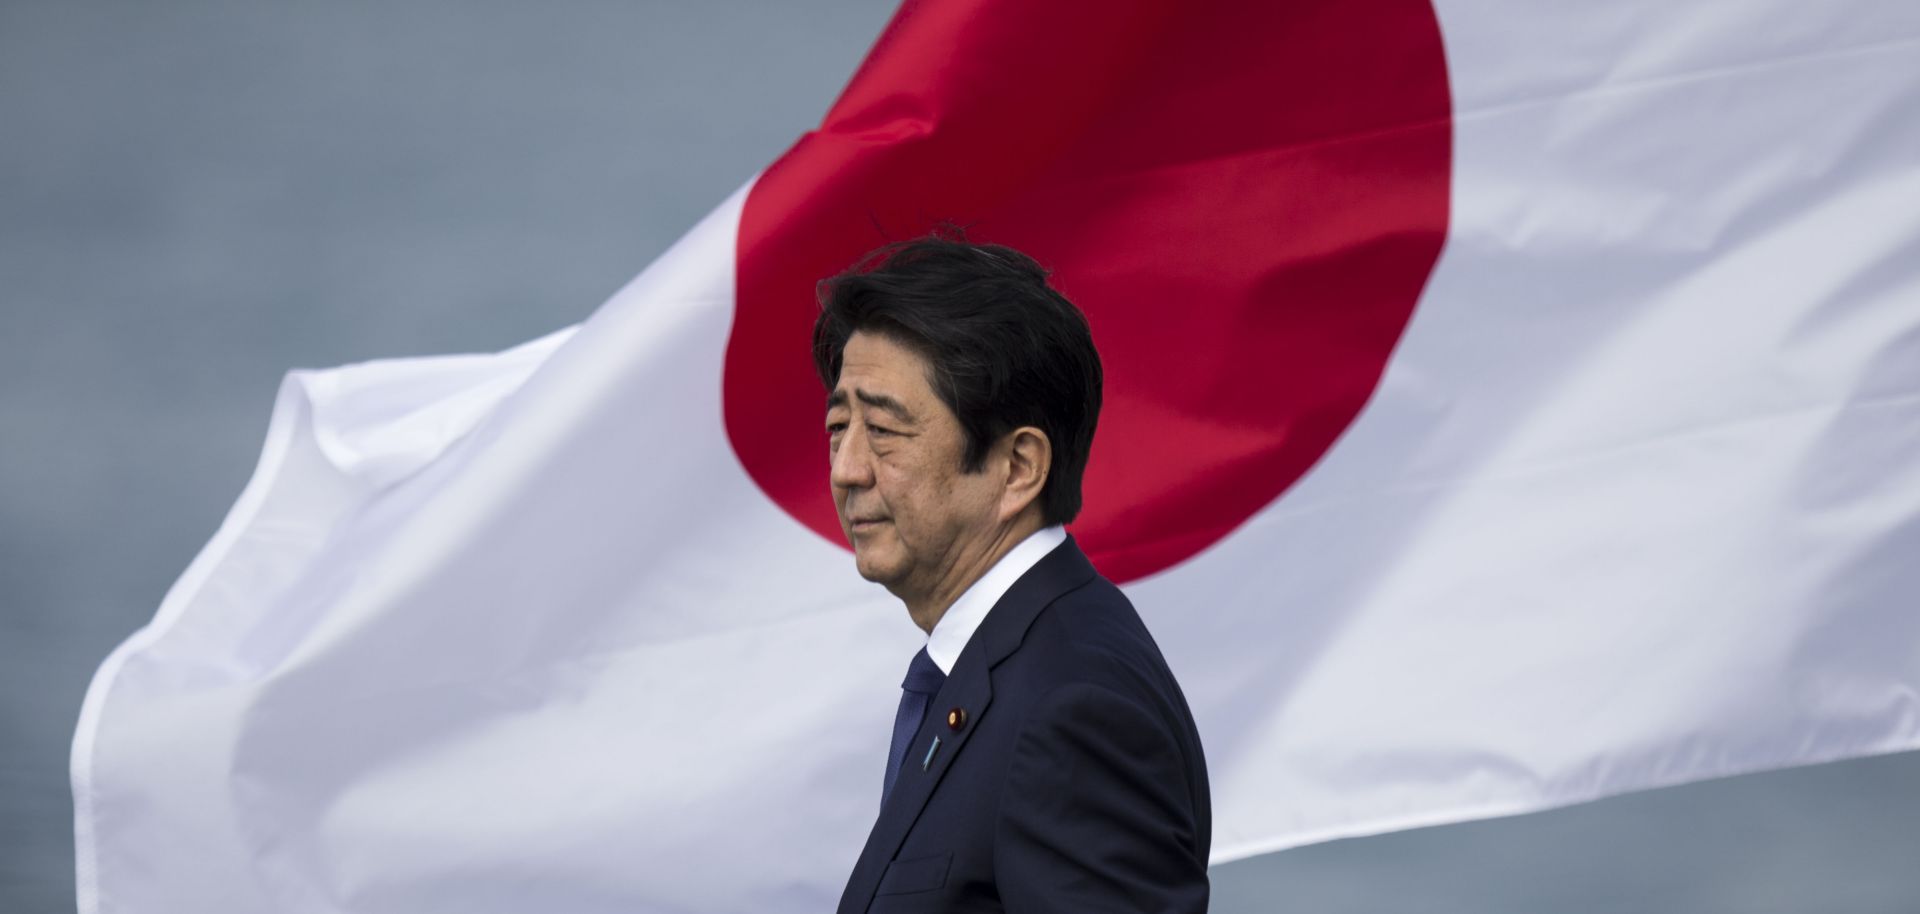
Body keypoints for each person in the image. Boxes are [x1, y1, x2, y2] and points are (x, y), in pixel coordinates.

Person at [816, 232, 1211, 912]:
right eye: (836, 428)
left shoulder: (1075, 707)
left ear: (1019, 467)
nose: (847, 469)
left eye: (882, 431)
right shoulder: (1006, 670)